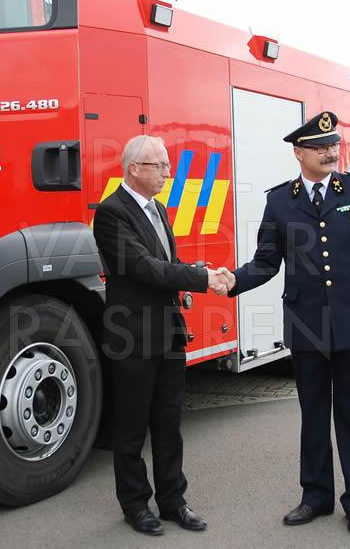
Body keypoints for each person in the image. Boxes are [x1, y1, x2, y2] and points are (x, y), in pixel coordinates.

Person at [216, 111, 350, 537]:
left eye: (333, 145)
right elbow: (266, 261)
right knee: (313, 415)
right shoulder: (281, 201)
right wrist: (233, 280)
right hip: (307, 325)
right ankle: (315, 496)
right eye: (320, 147)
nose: (331, 152)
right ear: (299, 153)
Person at [93, 134, 226, 536]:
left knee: (169, 425)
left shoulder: (159, 210)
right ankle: (135, 505)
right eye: (161, 166)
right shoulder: (111, 213)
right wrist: (201, 278)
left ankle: (173, 501)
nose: (168, 172)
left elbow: (167, 261)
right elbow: (143, 267)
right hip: (133, 336)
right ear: (134, 169)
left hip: (168, 334)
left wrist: (198, 269)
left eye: (167, 165)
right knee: (132, 428)